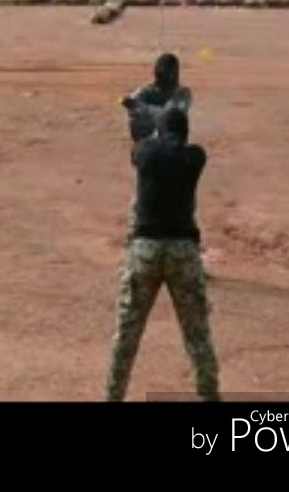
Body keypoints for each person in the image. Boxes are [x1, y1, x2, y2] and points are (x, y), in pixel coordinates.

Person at [105, 107, 220, 402]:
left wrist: (143, 125)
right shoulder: (195, 157)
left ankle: (113, 397)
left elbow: (141, 148)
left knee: (127, 333)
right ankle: (209, 396)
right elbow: (176, 149)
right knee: (197, 334)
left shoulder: (145, 152)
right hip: (183, 251)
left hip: (145, 250)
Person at [121, 52, 191, 143]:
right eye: (160, 75)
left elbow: (170, 115)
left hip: (171, 142)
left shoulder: (182, 93)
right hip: (146, 140)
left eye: (166, 76)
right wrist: (131, 104)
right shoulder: (147, 90)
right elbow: (133, 104)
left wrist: (141, 107)